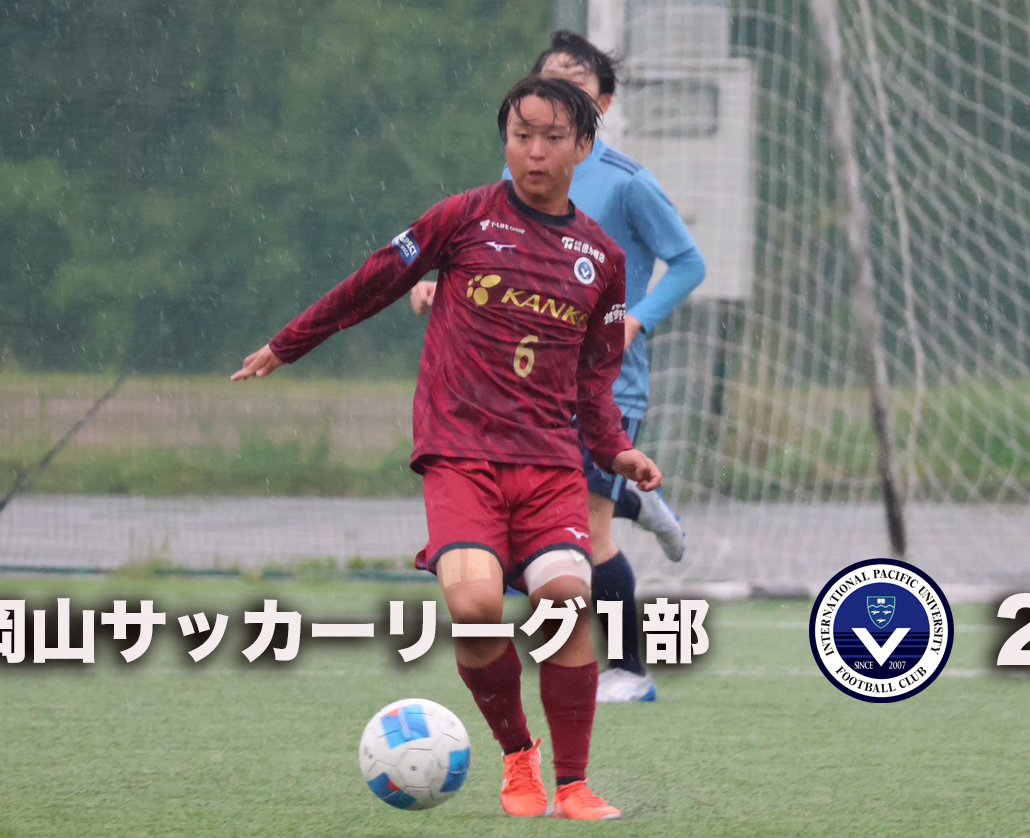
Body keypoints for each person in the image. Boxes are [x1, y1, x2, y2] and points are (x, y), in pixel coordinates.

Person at [232, 75, 661, 820]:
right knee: (475, 605)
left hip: (550, 464)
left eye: (552, 138)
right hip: (460, 457)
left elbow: (595, 380)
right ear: (505, 142)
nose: (534, 151)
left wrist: (616, 449)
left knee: (567, 600)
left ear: (583, 147)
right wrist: (289, 343)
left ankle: (573, 785)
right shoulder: (462, 218)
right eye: (520, 136)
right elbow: (373, 281)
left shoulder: (601, 256)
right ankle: (519, 755)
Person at [411, 30, 707, 704]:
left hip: (606, 384)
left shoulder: (629, 182)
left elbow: (688, 262)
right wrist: (439, 285)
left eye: (575, 87)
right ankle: (632, 501)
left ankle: (629, 670)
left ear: (601, 105)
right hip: (530, 390)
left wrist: (634, 319)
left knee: (589, 535)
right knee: (533, 541)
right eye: (547, 84)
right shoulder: (520, 176)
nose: (555, 101)